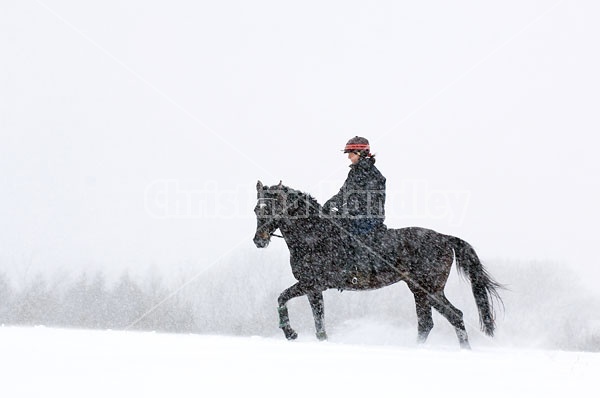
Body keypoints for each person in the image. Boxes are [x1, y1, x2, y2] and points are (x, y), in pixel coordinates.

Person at [323, 136, 387, 281]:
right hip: (355, 214)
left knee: (349, 232)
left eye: (351, 154)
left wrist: (345, 211)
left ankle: (361, 273)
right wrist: (328, 206)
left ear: (360, 153)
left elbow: (367, 200)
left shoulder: (374, 175)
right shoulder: (354, 172)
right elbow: (343, 193)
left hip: (370, 217)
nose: (349, 157)